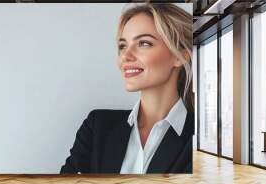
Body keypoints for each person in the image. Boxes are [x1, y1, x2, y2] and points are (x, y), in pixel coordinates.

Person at [60, 3, 194, 174]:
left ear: (180, 57)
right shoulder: (96, 127)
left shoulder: (200, 140)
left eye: (144, 43)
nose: (125, 55)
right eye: (123, 45)